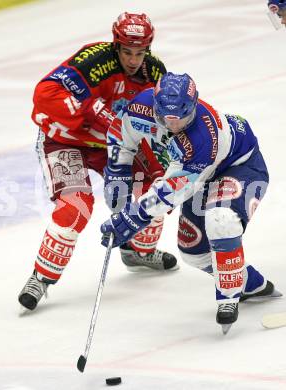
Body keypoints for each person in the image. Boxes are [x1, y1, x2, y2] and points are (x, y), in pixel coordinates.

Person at [18, 13, 179, 312]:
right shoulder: (93, 59)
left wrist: (159, 159)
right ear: (116, 45)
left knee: (157, 191)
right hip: (65, 140)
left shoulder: (154, 72)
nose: (133, 60)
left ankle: (137, 252)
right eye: (127, 52)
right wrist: (92, 109)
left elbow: (158, 122)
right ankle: (41, 277)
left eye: (139, 53)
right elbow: (44, 93)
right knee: (75, 206)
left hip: (113, 146)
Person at [100, 72, 282, 334]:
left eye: (181, 118)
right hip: (197, 176)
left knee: (221, 219)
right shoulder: (142, 105)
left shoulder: (203, 137)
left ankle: (229, 296)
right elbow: (121, 133)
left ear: (194, 106)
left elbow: (172, 190)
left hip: (239, 166)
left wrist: (132, 218)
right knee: (193, 251)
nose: (173, 126)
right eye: (166, 119)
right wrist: (117, 171)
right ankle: (250, 283)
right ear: (156, 106)